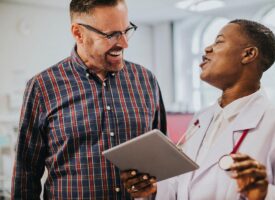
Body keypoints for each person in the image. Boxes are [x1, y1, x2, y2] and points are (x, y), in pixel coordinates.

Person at [121, 19, 275, 200]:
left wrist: (264, 194)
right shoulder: (201, 120)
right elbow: (184, 185)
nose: (207, 49)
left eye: (219, 42)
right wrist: (153, 190)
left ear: (248, 54)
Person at [11, 0, 167, 199]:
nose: (124, 43)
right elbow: (25, 174)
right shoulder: (42, 86)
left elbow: (161, 159)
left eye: (126, 30)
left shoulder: (146, 80)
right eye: (111, 35)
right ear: (78, 33)